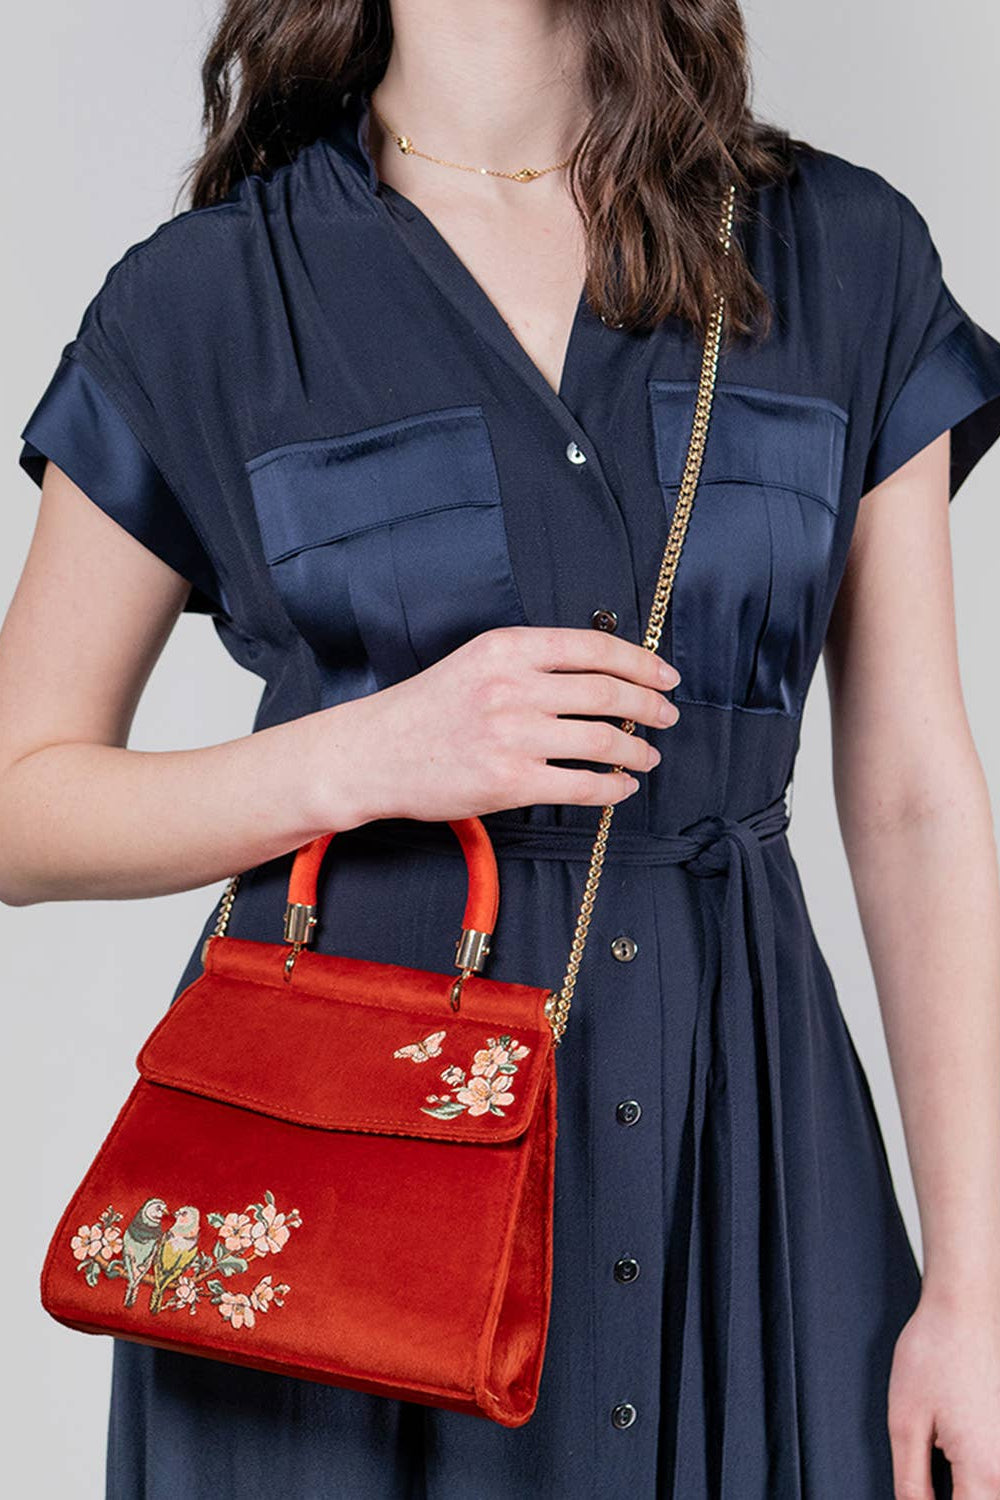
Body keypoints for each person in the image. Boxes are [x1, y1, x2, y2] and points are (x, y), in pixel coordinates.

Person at [3, 1, 1000, 1496]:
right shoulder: (208, 297)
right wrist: (377, 753)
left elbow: (918, 797)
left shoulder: (838, 253)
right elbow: (19, 805)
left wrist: (973, 1297)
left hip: (744, 1155)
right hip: (336, 1188)